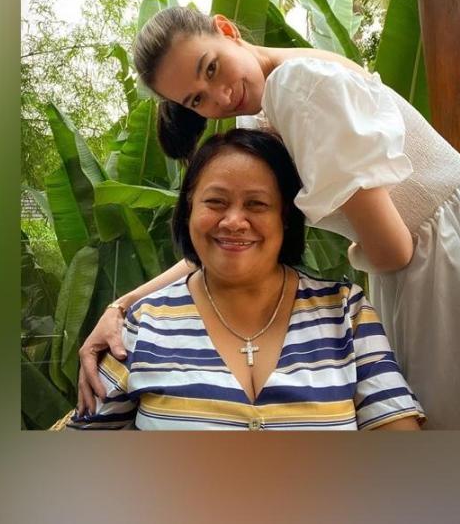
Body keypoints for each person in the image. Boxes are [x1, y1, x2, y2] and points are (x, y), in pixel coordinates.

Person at [77, 6, 460, 429]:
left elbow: (393, 250)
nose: (220, 98)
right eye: (196, 100)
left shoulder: (297, 87)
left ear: (226, 29)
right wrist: (121, 306)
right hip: (433, 255)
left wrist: (355, 248)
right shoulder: (263, 107)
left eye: (211, 68)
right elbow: (219, 246)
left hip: (454, 256)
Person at [69, 129, 423, 430]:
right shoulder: (141, 325)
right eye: (216, 202)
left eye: (257, 204)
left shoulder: (345, 311)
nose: (234, 221)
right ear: (188, 209)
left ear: (286, 216)